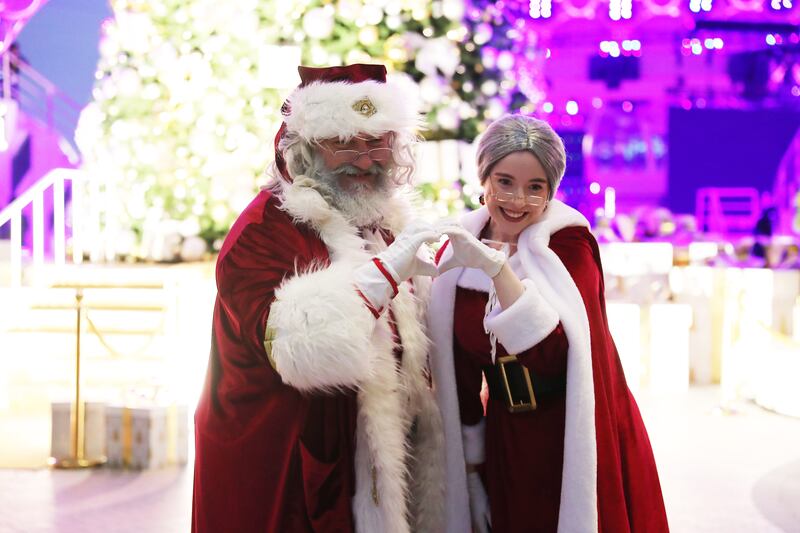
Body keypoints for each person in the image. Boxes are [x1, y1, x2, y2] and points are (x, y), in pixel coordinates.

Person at [192, 64, 445, 533]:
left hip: (369, 463)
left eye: (377, 142)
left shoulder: (383, 219)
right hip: (284, 471)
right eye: (345, 143)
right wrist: (387, 271)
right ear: (306, 149)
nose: (366, 161)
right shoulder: (263, 232)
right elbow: (302, 351)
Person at [429, 114, 670, 533]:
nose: (517, 200)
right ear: (483, 179)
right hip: (505, 433)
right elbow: (457, 366)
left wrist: (498, 271)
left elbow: (552, 357)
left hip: (569, 430)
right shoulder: (459, 247)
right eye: (504, 182)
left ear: (551, 191)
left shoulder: (567, 245)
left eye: (534, 187)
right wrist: (471, 461)